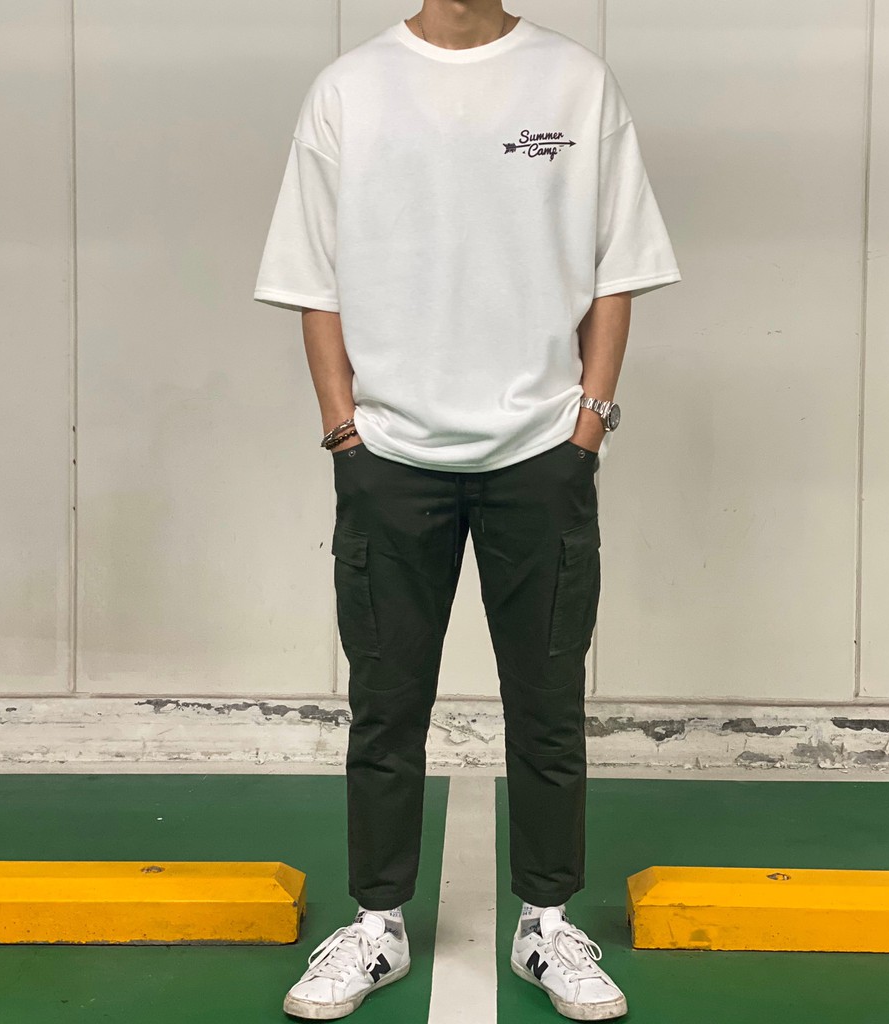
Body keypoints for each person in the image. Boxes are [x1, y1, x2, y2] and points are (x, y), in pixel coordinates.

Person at [253, 2, 680, 1019]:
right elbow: (314, 279)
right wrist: (343, 430)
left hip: (540, 454)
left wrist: (589, 423)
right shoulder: (349, 90)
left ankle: (546, 923)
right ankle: (378, 925)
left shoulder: (575, 82)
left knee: (547, 702)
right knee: (386, 703)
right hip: (390, 458)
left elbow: (616, 268)